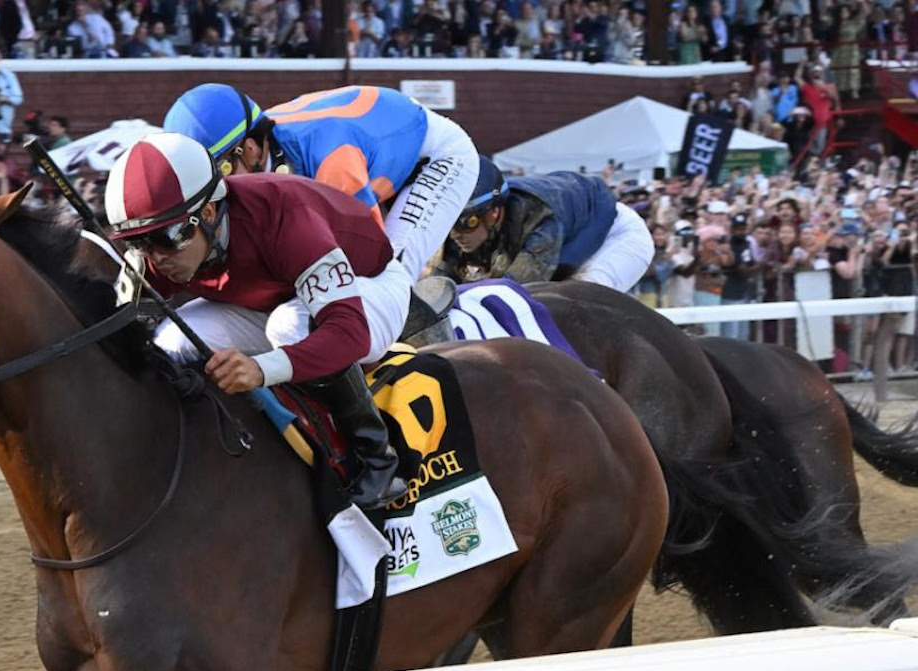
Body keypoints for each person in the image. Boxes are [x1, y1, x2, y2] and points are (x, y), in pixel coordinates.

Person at [105, 132, 410, 508]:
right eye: (138, 242)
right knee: (170, 340)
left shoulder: (286, 217)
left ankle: (376, 458)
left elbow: (349, 333)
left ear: (210, 212)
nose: (156, 257)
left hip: (371, 288)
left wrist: (260, 369)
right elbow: (120, 332)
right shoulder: (157, 254)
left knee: (288, 327)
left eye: (166, 237)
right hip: (277, 298)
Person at [162, 84, 478, 284]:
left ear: (252, 149)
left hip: (437, 157)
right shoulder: (263, 146)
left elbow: (370, 252)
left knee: (390, 277)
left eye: (220, 173)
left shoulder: (331, 163)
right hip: (378, 143)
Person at [437, 155, 654, 293]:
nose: (455, 234)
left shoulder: (538, 218)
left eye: (466, 222)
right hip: (571, 230)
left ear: (493, 212)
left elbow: (514, 292)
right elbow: (439, 287)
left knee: (577, 298)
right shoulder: (469, 223)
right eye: (449, 223)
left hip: (616, 236)